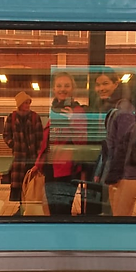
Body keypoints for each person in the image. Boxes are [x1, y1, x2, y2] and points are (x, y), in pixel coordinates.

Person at [92, 68, 136, 216]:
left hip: (127, 176)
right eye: (98, 84)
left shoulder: (124, 109)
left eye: (105, 83)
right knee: (117, 219)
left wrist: (111, 175)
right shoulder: (114, 108)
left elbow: (124, 146)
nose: (101, 88)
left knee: (121, 221)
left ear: (116, 84)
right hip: (121, 175)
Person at [34, 72, 86, 216]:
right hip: (51, 169)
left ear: (72, 89)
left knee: (62, 212)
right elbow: (47, 141)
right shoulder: (55, 111)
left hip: (67, 171)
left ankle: (64, 238)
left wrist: (72, 120)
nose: (62, 89)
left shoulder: (77, 111)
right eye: (59, 85)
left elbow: (82, 141)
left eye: (67, 86)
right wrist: (38, 164)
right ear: (54, 89)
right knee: (52, 211)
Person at [3, 91, 43, 202]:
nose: (27, 105)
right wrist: (13, 144)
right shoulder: (12, 117)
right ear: (20, 104)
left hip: (32, 157)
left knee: (31, 185)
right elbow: (6, 135)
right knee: (18, 184)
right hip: (18, 157)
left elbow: (40, 138)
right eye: (25, 103)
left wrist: (39, 157)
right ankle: (21, 207)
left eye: (28, 103)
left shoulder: (35, 117)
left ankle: (29, 206)